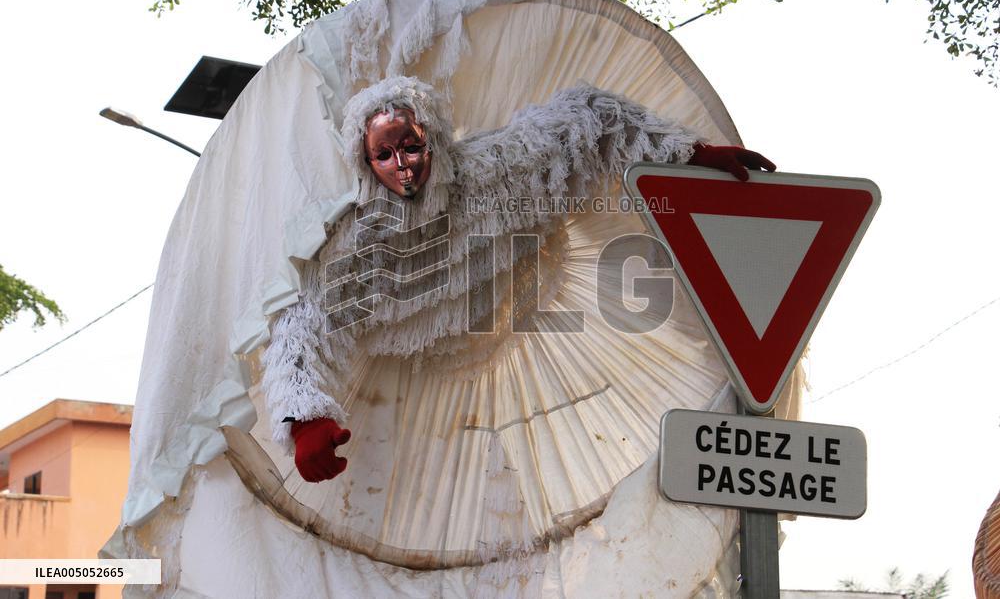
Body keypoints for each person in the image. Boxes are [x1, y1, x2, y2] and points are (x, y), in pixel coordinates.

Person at [261, 75, 776, 484]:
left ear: (433, 140)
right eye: (384, 154)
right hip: (414, 374)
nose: (403, 165)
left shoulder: (492, 169)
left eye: (411, 146)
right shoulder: (358, 238)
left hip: (523, 312)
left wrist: (687, 156)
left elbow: (588, 118)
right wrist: (305, 420)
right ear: (364, 160)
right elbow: (305, 319)